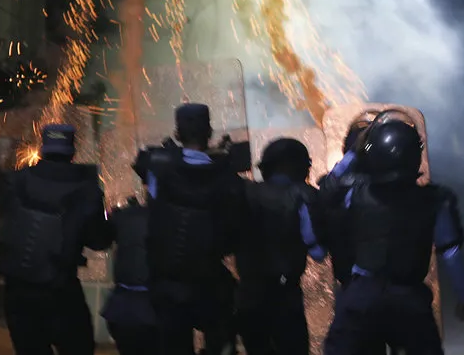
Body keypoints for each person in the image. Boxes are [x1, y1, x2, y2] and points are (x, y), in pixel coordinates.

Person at [320, 116, 464, 355]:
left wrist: (354, 151)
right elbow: (450, 252)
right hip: (408, 298)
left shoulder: (353, 190)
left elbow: (328, 189)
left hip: (361, 296)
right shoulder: (435, 200)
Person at [136, 103, 244, 355]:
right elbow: (232, 236)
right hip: (209, 281)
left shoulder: (158, 168)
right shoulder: (226, 175)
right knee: (222, 340)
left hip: (167, 282)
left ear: (177, 133)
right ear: (209, 132)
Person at [0, 124, 112, 355]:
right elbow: (99, 241)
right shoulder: (86, 190)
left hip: (18, 294)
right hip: (61, 293)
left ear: (42, 149)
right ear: (72, 151)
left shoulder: (15, 182)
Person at [235, 138, 324, 355]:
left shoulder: (244, 192)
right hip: (285, 297)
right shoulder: (302, 195)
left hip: (248, 296)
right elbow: (318, 252)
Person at [311, 120, 390, 355]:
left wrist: (354, 153)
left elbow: (328, 189)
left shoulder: (339, 189)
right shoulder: (386, 187)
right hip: (376, 284)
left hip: (352, 284)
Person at [101, 195, 159, 355]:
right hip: (152, 308)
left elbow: (100, 240)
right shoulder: (167, 219)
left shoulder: (127, 216)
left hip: (124, 309)